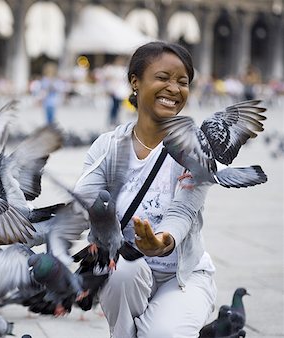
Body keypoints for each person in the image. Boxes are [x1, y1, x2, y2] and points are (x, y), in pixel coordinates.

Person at [73, 41, 217, 338]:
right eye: (163, 78)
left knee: (163, 334)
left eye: (183, 82)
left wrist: (163, 241)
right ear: (135, 82)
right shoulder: (108, 147)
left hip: (182, 276)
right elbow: (80, 204)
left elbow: (184, 210)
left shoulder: (196, 149)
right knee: (124, 266)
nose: (174, 89)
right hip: (125, 274)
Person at [103, 56, 131, 126]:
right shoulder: (113, 69)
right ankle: (112, 119)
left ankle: (115, 119)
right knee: (114, 106)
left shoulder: (123, 69)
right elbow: (108, 78)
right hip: (115, 90)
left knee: (118, 106)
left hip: (120, 91)